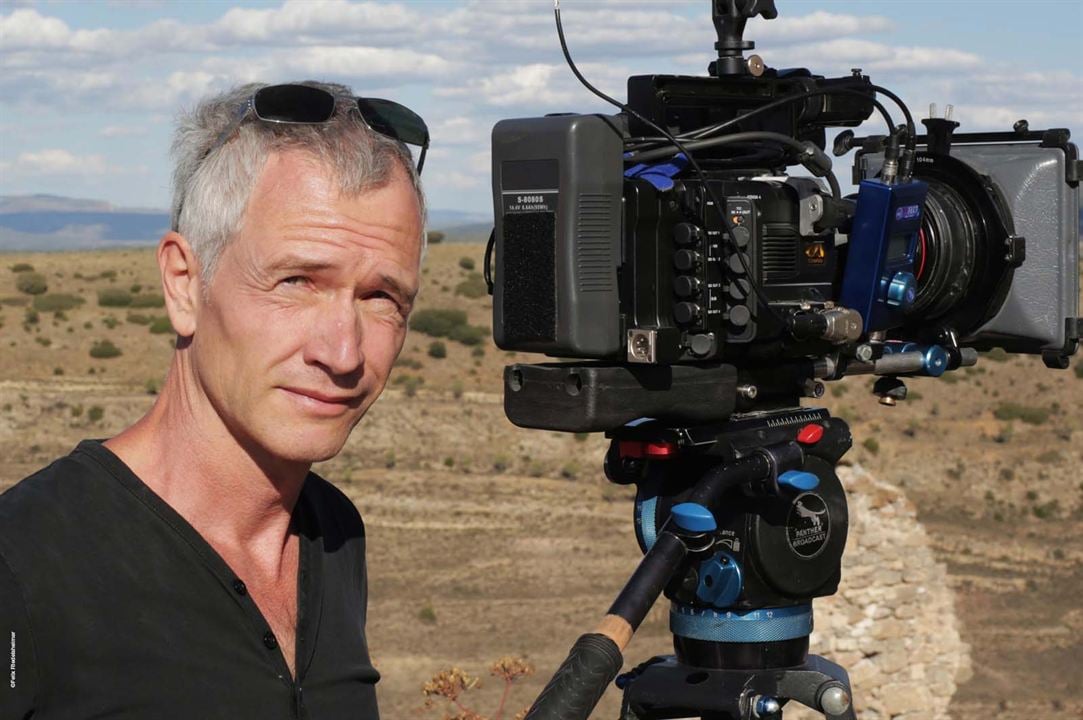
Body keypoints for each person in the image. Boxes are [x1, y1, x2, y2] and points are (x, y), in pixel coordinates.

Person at [0, 81, 429, 719]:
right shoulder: (24, 564)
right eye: (296, 282)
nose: (342, 353)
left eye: (381, 299)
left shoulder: (332, 536)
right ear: (184, 283)